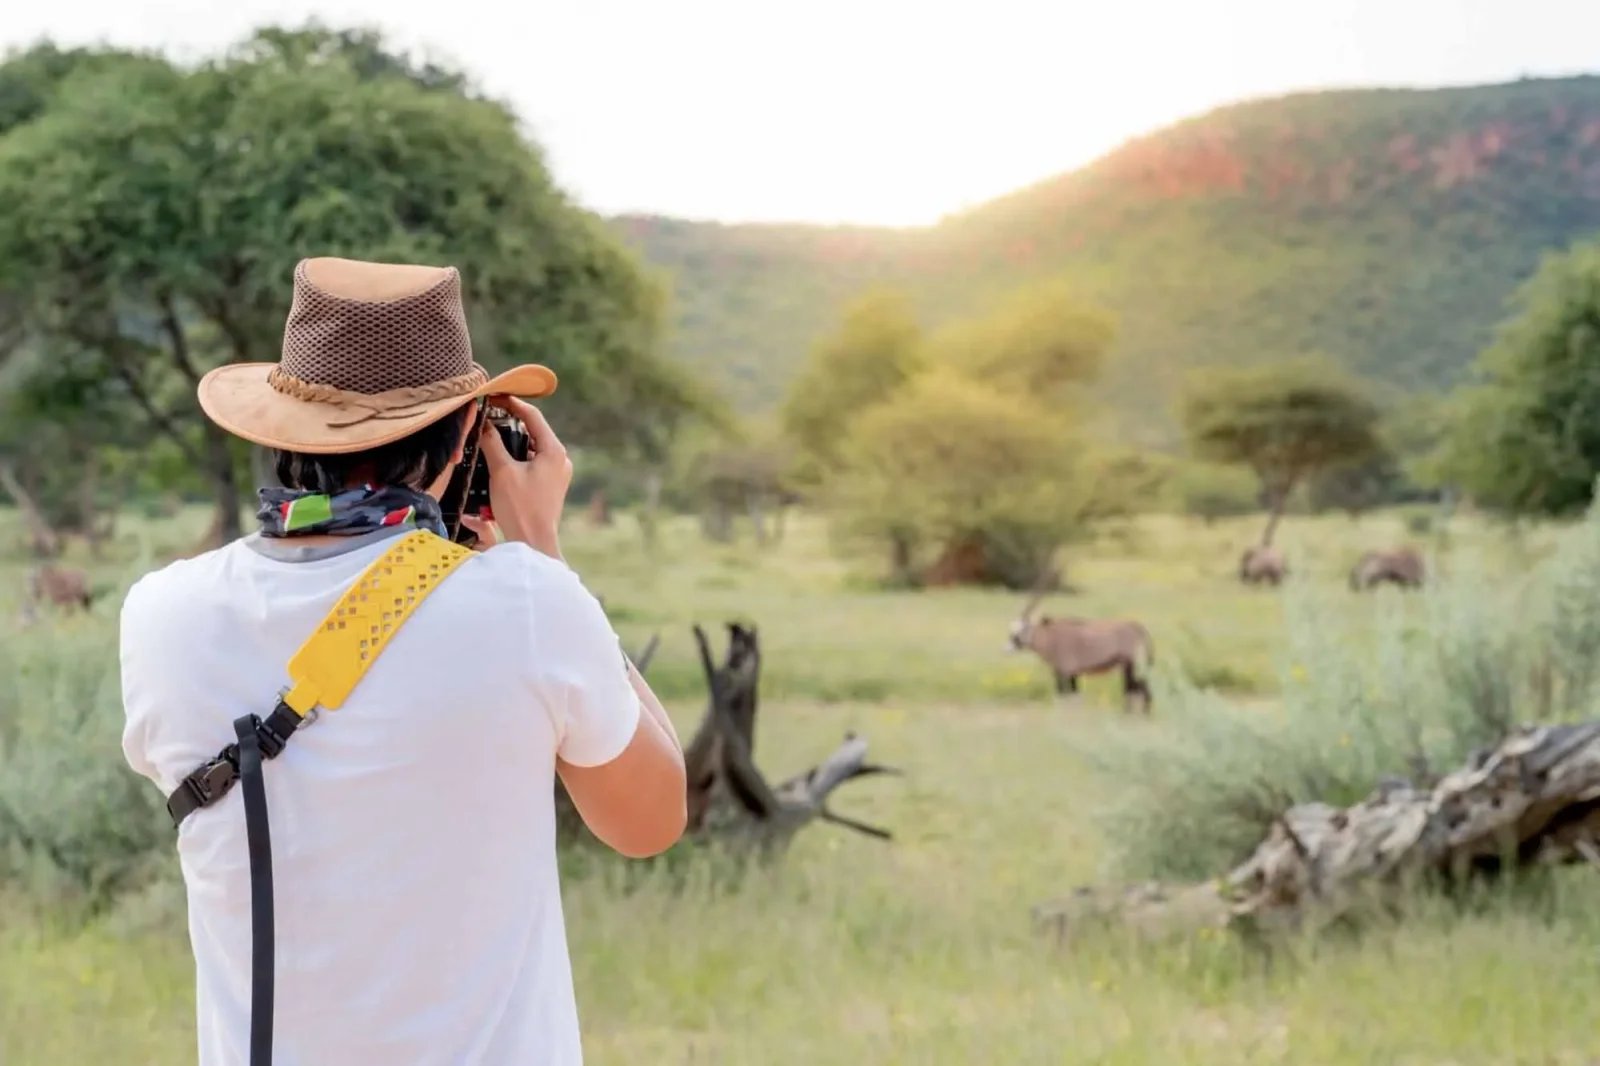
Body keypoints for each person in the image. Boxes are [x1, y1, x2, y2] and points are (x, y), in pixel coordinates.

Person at [119, 256, 687, 1065]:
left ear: (280, 429)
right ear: (468, 435)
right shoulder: (529, 604)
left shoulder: (160, 615)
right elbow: (651, 819)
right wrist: (544, 551)